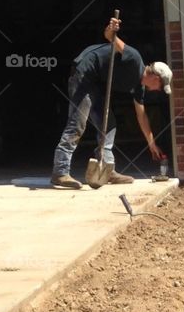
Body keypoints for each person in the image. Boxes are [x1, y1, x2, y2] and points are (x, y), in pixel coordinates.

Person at [51, 17, 171, 189]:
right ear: (154, 76)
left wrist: (152, 144)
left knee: (108, 124)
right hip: (84, 74)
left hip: (98, 83)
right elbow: (110, 37)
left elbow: (141, 116)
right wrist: (111, 28)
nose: (158, 90)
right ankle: (60, 172)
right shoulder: (134, 59)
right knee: (78, 122)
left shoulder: (139, 87)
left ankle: (106, 169)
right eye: (160, 85)